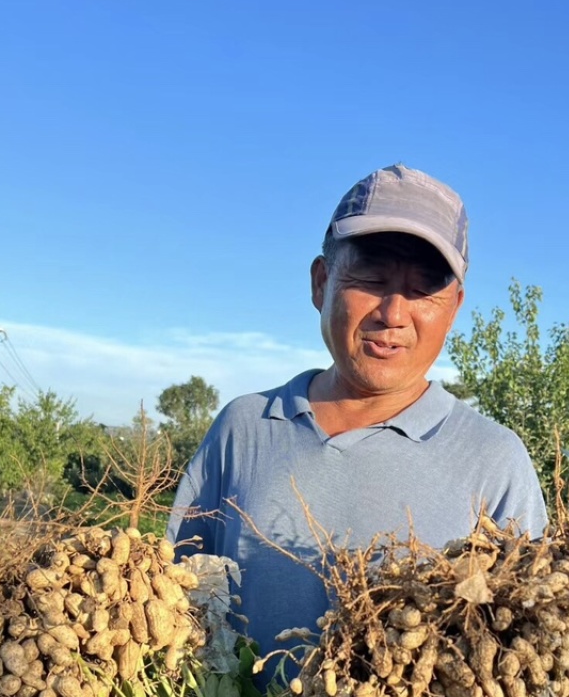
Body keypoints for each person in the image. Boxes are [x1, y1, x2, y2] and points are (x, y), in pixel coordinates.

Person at [167, 164, 547, 659]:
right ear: (321, 283)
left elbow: (523, 647)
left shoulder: (494, 460)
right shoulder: (243, 428)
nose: (393, 313)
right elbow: (176, 601)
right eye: (370, 277)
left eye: (423, 290)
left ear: (452, 308)